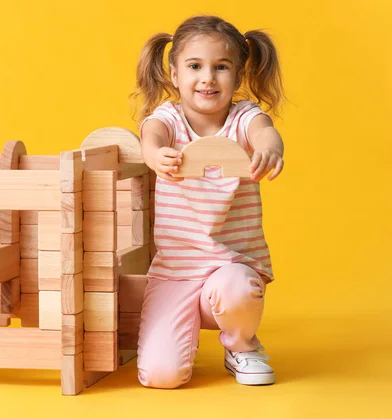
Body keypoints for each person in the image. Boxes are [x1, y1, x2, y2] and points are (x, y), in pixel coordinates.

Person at [131, 15, 285, 388]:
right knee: (160, 376)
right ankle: (180, 331)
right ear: (173, 72)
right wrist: (154, 154)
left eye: (221, 67)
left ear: (240, 72)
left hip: (231, 267)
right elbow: (151, 134)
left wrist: (270, 151)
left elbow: (266, 133)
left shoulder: (244, 117)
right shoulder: (169, 118)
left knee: (236, 287)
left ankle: (241, 345)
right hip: (176, 271)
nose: (208, 78)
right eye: (195, 66)